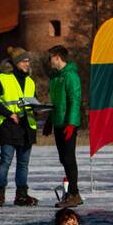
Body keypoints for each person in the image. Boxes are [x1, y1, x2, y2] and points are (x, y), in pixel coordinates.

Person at [0, 47, 40, 206]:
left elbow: (33, 100)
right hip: (9, 125)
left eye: (28, 61)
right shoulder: (2, 79)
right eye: (24, 61)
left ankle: (21, 195)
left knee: (23, 163)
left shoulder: (30, 80)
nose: (27, 64)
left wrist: (38, 109)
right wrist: (9, 114)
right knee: (5, 161)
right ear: (15, 63)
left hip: (27, 127)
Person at [45, 45, 83, 208]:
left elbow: (75, 100)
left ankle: (74, 193)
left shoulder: (70, 76)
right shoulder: (55, 77)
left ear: (57, 57)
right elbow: (56, 103)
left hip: (68, 123)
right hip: (58, 122)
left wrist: (71, 123)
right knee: (63, 159)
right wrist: (49, 121)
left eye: (50, 57)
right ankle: (73, 193)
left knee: (69, 158)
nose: (49, 61)